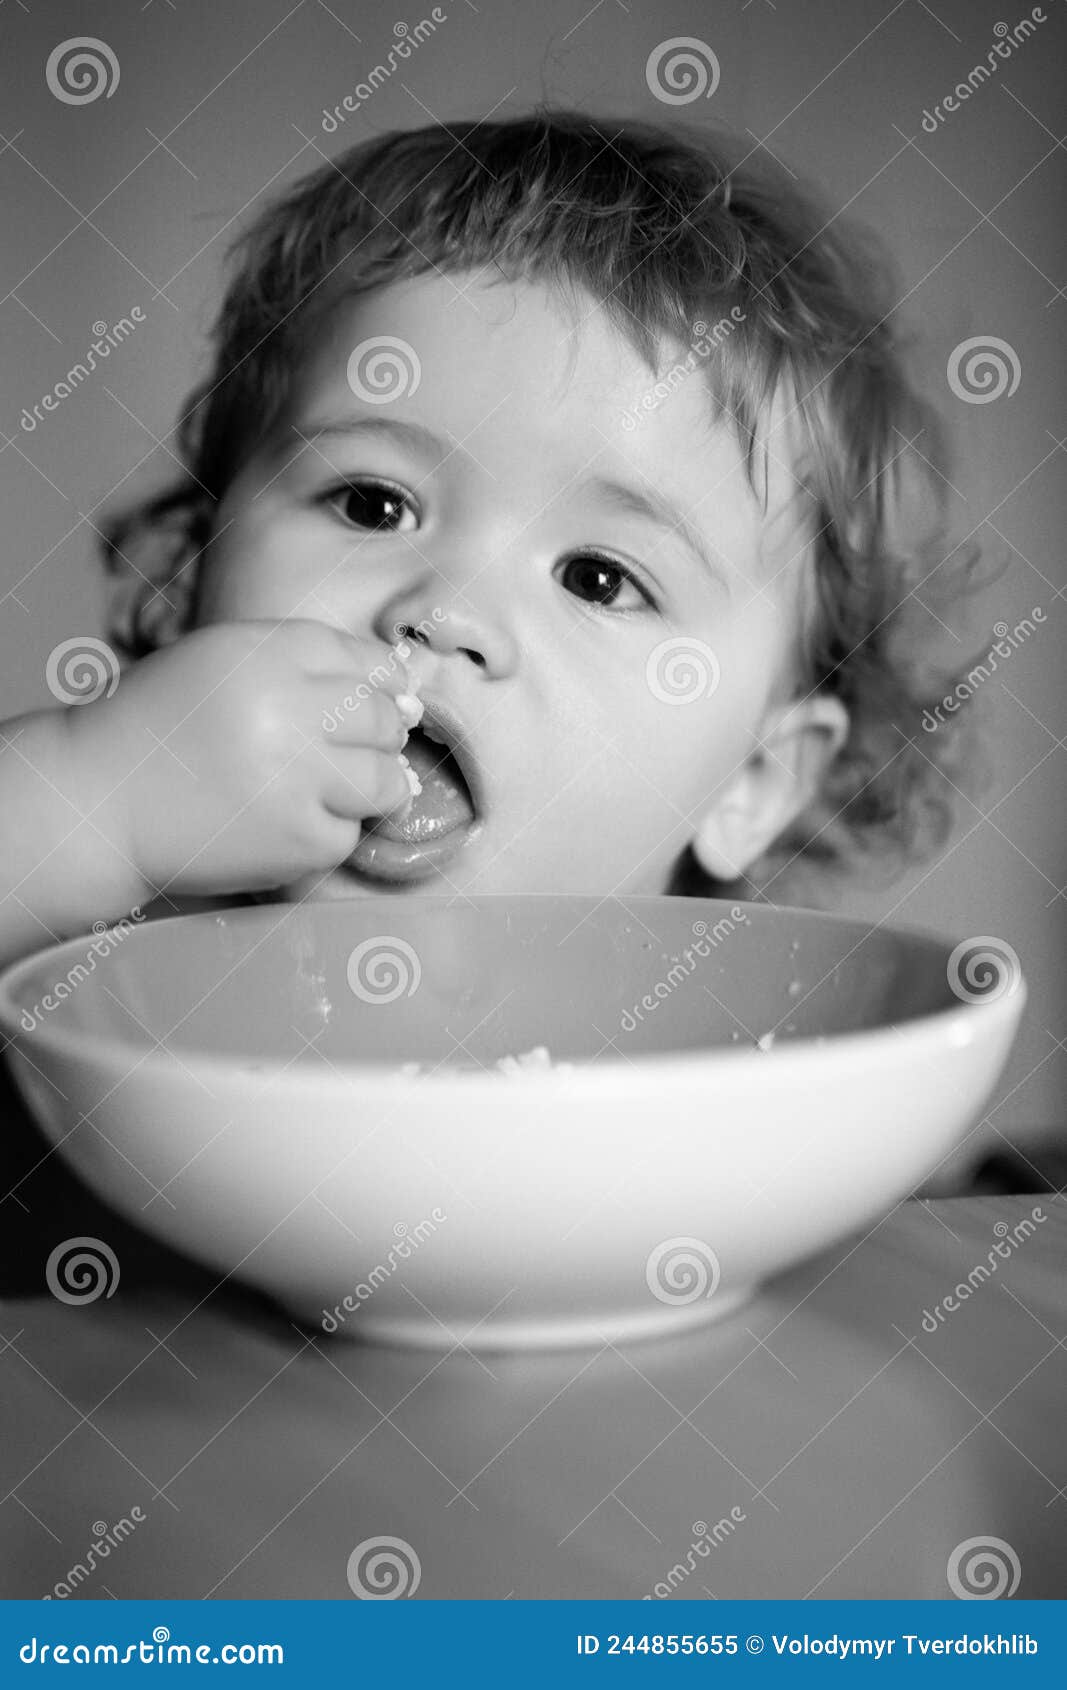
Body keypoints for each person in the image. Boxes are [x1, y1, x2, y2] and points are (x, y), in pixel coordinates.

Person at [0, 110, 987, 1283]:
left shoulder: (751, 1125)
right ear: (193, 567)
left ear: (754, 779)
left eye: (599, 578)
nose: (445, 613)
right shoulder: (76, 1000)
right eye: (371, 504)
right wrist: (81, 795)